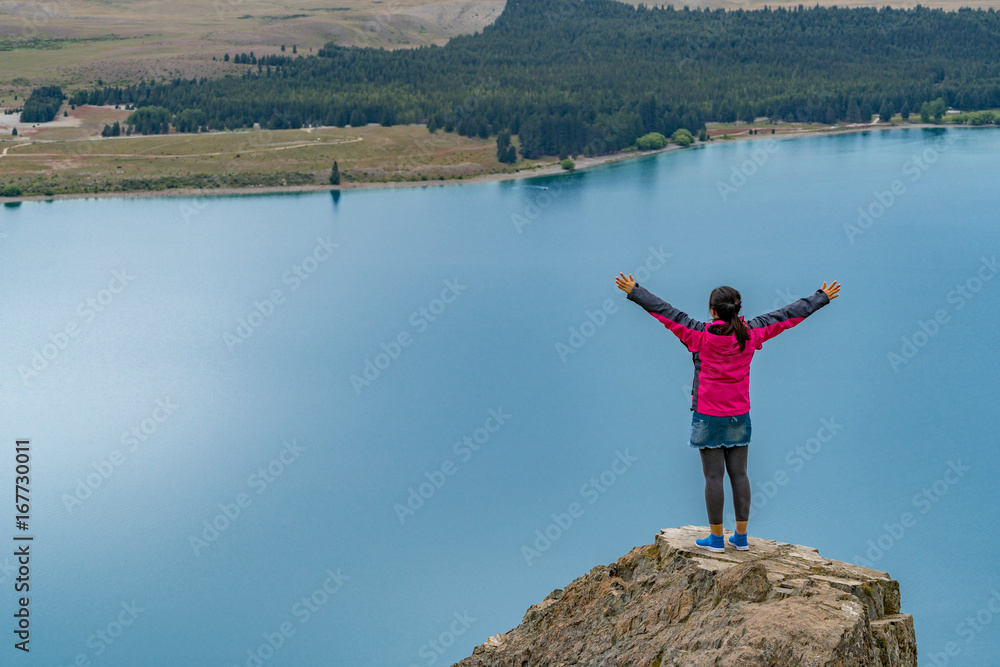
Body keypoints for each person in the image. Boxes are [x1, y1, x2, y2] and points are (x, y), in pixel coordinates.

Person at [615, 273, 840, 553]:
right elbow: (787, 315)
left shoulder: (698, 335)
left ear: (712, 311)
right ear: (738, 308)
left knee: (713, 477)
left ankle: (717, 539)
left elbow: (666, 312)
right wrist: (821, 297)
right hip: (738, 414)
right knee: (740, 474)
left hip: (706, 415)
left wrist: (635, 291)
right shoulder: (752, 332)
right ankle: (742, 538)